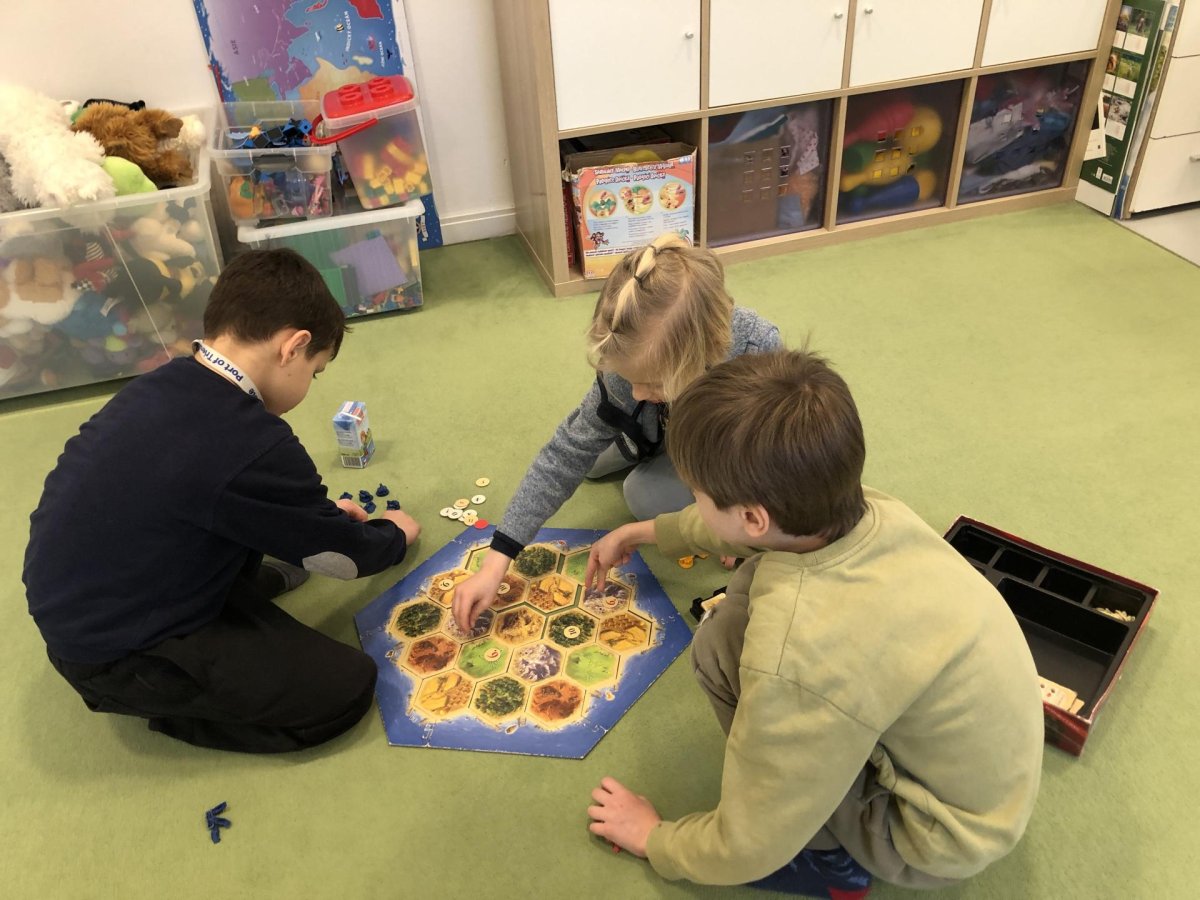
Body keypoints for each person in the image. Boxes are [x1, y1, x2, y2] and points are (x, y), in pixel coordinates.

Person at [583, 349, 1044, 894]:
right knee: (752, 586)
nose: (696, 502)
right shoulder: (868, 508)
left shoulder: (798, 654)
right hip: (988, 775)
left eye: (698, 495)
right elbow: (746, 529)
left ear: (752, 516)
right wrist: (647, 532)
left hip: (934, 836)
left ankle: (829, 862)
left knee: (718, 645)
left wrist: (655, 839)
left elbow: (748, 844)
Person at [23, 249, 421, 754]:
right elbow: (344, 560)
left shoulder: (161, 382)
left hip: (82, 596)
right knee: (347, 689)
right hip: (114, 653)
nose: (311, 382)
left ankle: (234, 601)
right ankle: (168, 706)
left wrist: (314, 518)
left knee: (226, 514)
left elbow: (206, 490)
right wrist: (393, 535)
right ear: (294, 347)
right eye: (315, 370)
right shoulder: (258, 443)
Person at [452, 232, 781, 631]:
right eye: (629, 380)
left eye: (653, 383)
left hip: (721, 451)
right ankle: (641, 441)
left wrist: (734, 523)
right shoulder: (627, 371)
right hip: (658, 430)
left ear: (701, 358)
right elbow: (564, 454)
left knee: (642, 494)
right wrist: (497, 559)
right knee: (589, 459)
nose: (637, 392)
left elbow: (774, 459)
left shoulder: (758, 352)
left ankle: (666, 462)